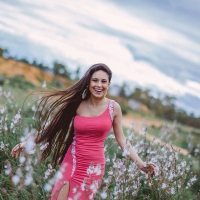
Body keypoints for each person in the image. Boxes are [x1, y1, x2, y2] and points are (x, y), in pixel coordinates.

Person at [11, 63, 156, 200]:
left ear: (109, 84)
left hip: (94, 169)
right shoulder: (77, 104)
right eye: (95, 80)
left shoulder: (114, 108)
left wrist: (141, 164)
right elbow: (52, 128)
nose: (99, 85)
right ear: (88, 82)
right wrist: (27, 142)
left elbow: (122, 140)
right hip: (72, 163)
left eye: (103, 81)